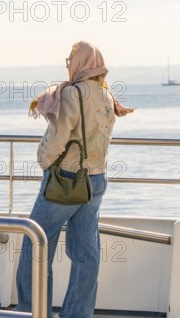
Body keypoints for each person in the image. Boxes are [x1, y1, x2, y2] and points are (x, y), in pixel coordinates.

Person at [13, 41, 135, 318]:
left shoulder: (71, 94)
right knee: (85, 251)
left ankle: (33, 311)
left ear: (82, 62)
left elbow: (58, 138)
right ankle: (77, 314)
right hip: (97, 180)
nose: (68, 64)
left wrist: (45, 162)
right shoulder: (105, 94)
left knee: (37, 244)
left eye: (70, 59)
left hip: (66, 179)